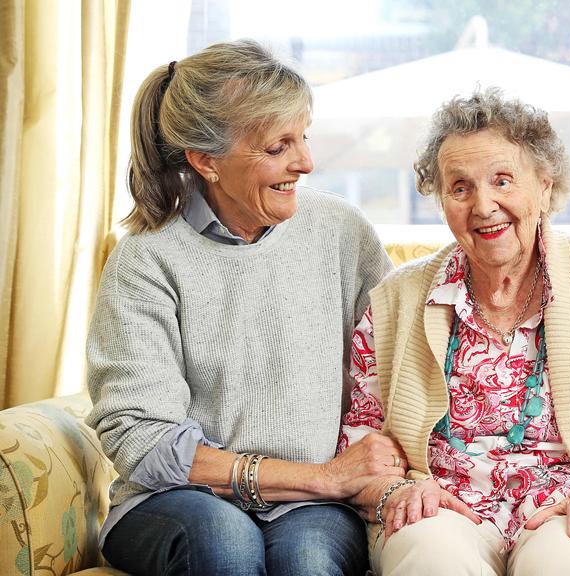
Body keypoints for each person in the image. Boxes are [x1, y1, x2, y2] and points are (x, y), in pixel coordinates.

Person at [86, 40, 401, 575]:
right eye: (278, 147)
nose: (305, 162)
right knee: (224, 542)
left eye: (303, 137)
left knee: (309, 562)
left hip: (311, 510)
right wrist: (323, 477)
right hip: (174, 502)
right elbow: (142, 438)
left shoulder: (341, 232)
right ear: (206, 160)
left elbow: (401, 362)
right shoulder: (146, 259)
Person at [338, 87, 570, 575]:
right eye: (460, 187)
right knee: (429, 556)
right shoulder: (395, 299)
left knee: (568, 563)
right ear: (442, 199)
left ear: (545, 187)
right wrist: (396, 490)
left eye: (503, 181)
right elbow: (361, 434)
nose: (484, 205)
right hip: (440, 503)